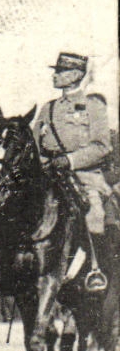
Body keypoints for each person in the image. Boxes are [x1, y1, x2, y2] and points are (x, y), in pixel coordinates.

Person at [32, 51, 114, 291]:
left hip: (83, 176)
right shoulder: (47, 109)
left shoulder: (93, 106)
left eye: (61, 71)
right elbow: (35, 145)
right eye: (56, 71)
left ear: (77, 75)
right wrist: (43, 162)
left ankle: (96, 271)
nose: (55, 76)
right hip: (49, 175)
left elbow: (102, 146)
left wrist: (70, 160)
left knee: (94, 215)